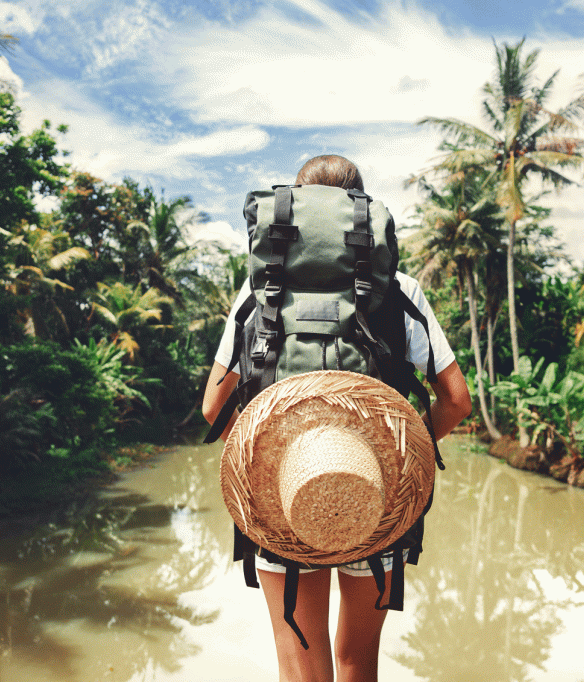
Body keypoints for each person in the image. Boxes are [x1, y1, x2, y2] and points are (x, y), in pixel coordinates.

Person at [202, 154, 472, 682]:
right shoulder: (399, 289)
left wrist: (264, 467)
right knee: (358, 662)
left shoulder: (260, 292)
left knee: (301, 664)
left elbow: (213, 406)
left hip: (282, 498)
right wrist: (401, 455)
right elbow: (457, 401)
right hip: (376, 498)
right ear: (360, 214)